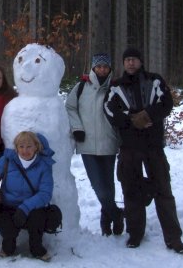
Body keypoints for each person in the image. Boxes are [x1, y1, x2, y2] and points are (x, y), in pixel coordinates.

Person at [103, 47, 183, 254]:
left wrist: (148, 116)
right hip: (129, 146)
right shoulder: (115, 86)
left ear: (141, 61)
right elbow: (109, 109)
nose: (131, 63)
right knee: (130, 191)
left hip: (153, 146)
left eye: (134, 60)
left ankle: (173, 237)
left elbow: (166, 103)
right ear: (123, 64)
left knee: (163, 191)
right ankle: (135, 233)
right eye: (127, 60)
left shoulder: (155, 80)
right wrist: (133, 121)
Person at [0, 131, 55, 262]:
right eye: (21, 146)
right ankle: (7, 246)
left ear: (36, 147)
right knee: (8, 233)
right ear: (16, 147)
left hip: (31, 208)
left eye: (29, 146)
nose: (25, 151)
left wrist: (25, 208)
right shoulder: (7, 160)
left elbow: (45, 193)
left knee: (38, 220)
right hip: (8, 206)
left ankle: (36, 247)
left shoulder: (44, 165)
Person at [65, 53, 124, 236]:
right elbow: (70, 107)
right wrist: (77, 128)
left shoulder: (115, 88)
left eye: (105, 67)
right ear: (93, 68)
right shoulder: (82, 87)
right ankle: (117, 214)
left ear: (109, 68)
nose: (101, 69)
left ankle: (106, 221)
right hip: (87, 144)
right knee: (99, 186)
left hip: (109, 144)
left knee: (108, 186)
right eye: (98, 67)